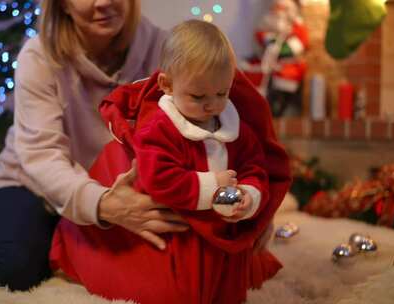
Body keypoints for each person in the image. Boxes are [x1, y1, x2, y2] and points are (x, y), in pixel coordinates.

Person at [0, 0, 190, 292]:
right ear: (62, 5)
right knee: (17, 271)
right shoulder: (38, 57)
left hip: (116, 183)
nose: (104, 2)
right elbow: (42, 157)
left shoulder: (164, 48)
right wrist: (104, 205)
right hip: (35, 181)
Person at [49, 20, 291, 304]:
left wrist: (249, 197)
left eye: (222, 93)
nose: (211, 105)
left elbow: (254, 168)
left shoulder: (237, 129)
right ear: (166, 85)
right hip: (181, 228)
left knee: (229, 291)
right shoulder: (159, 129)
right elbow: (159, 178)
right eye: (198, 96)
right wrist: (211, 187)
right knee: (180, 292)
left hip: (224, 228)